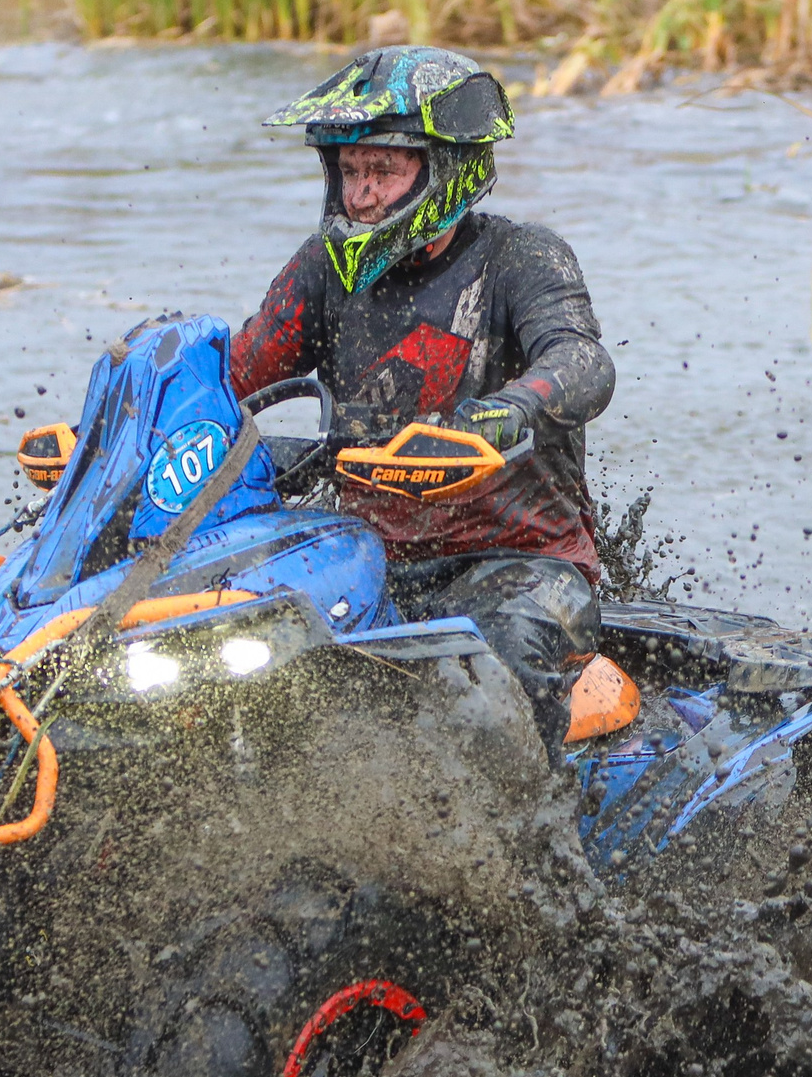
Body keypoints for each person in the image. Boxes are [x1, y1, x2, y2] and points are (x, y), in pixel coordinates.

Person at [232, 45, 617, 749]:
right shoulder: (325, 268)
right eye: (349, 171)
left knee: (494, 684)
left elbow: (582, 360)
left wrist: (511, 409)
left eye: (384, 169)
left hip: (521, 565)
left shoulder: (522, 257)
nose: (363, 194)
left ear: (447, 166)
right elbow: (241, 373)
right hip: (365, 557)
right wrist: (134, 420)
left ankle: (538, 850)